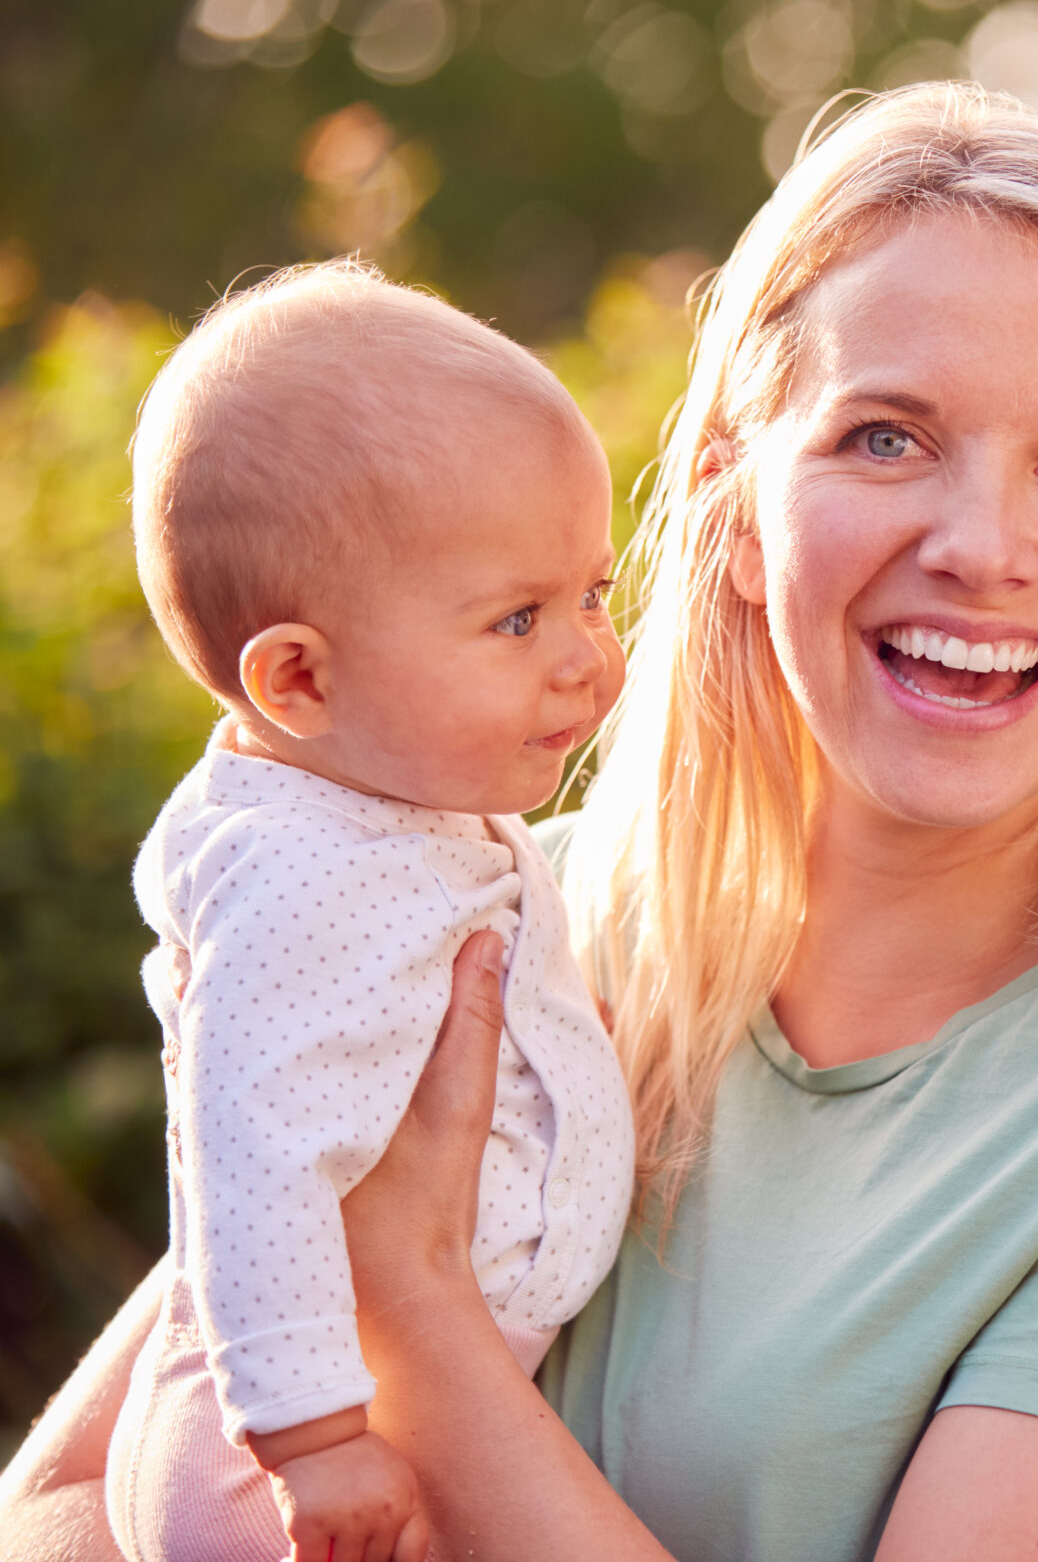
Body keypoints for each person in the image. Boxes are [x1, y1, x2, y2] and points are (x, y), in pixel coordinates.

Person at [0, 83, 1038, 1562]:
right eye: (886, 439)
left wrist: (413, 1310)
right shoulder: (491, 903)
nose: (984, 548)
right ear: (733, 512)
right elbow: (61, 1508)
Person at [112, 263, 632, 1562]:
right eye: (516, 619)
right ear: (298, 676)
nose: (587, 656)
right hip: (306, 1464)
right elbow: (256, 1157)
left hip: (390, 1401)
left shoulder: (383, 794)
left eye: (593, 593)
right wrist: (313, 1438)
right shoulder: (301, 881)